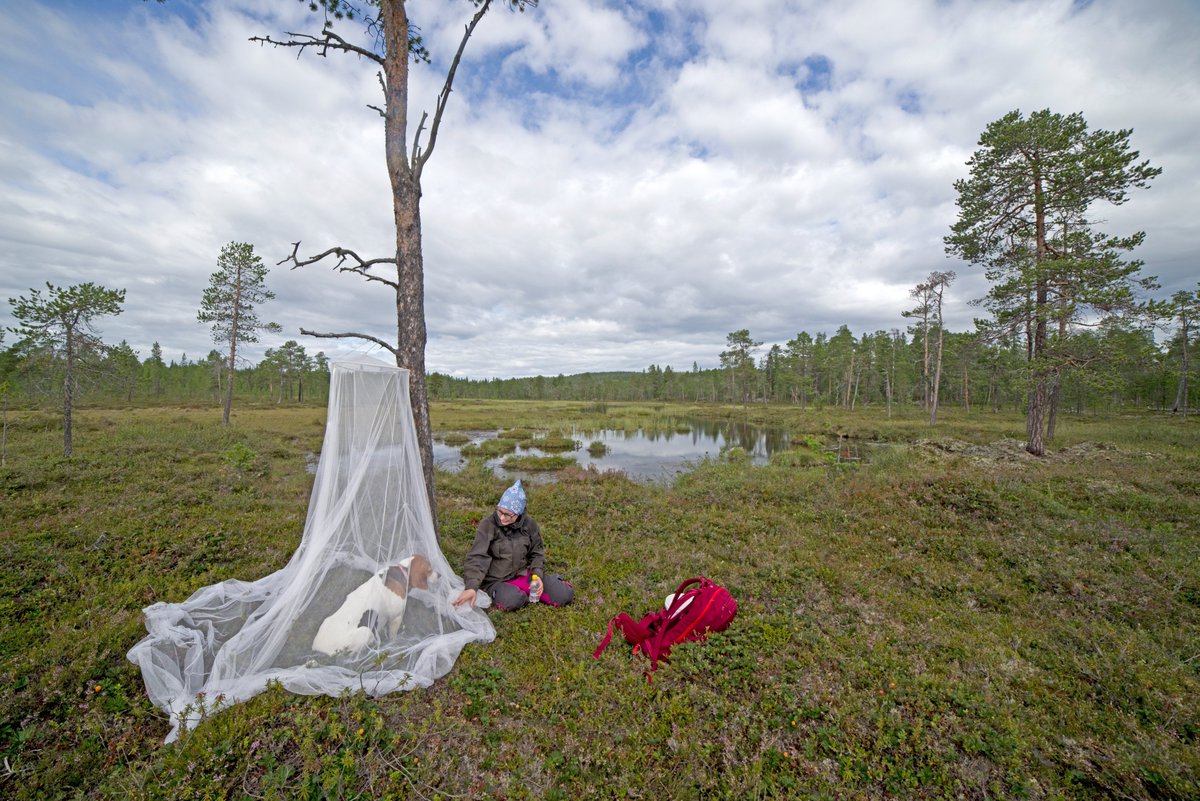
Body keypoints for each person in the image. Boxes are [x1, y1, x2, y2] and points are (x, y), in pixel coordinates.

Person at [452, 480, 573, 611]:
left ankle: (527, 590)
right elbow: (477, 557)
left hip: (522, 575)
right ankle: (514, 594)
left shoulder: (529, 525)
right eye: (500, 511)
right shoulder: (488, 525)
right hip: (496, 581)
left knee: (564, 594)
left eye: (508, 515)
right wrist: (471, 587)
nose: (502, 518)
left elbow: (537, 553)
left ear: (519, 513)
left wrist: (537, 575)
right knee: (513, 600)